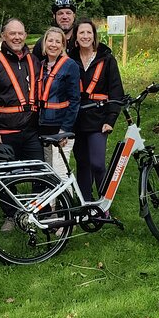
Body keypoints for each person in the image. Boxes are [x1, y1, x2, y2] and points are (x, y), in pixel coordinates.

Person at [0, 18, 42, 231]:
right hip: (4, 131)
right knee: (7, 177)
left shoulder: (33, 61)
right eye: (12, 33)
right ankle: (11, 215)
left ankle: (36, 211)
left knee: (39, 172)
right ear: (4, 36)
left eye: (20, 33)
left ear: (25, 36)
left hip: (31, 130)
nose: (17, 37)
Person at [69, 18, 124, 202]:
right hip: (76, 119)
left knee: (98, 163)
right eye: (81, 33)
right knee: (82, 163)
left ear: (94, 36)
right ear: (76, 37)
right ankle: (87, 202)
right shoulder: (69, 59)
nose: (85, 36)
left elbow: (116, 90)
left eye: (89, 33)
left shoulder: (106, 59)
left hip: (99, 118)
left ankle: (104, 202)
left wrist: (111, 119)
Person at [37, 27, 80, 179]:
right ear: (44, 43)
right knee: (49, 171)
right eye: (50, 40)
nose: (53, 45)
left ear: (63, 45)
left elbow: (75, 100)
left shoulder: (70, 66)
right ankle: (52, 204)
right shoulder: (40, 66)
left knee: (60, 173)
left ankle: (66, 203)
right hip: (44, 127)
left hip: (61, 128)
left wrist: (65, 129)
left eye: (58, 41)